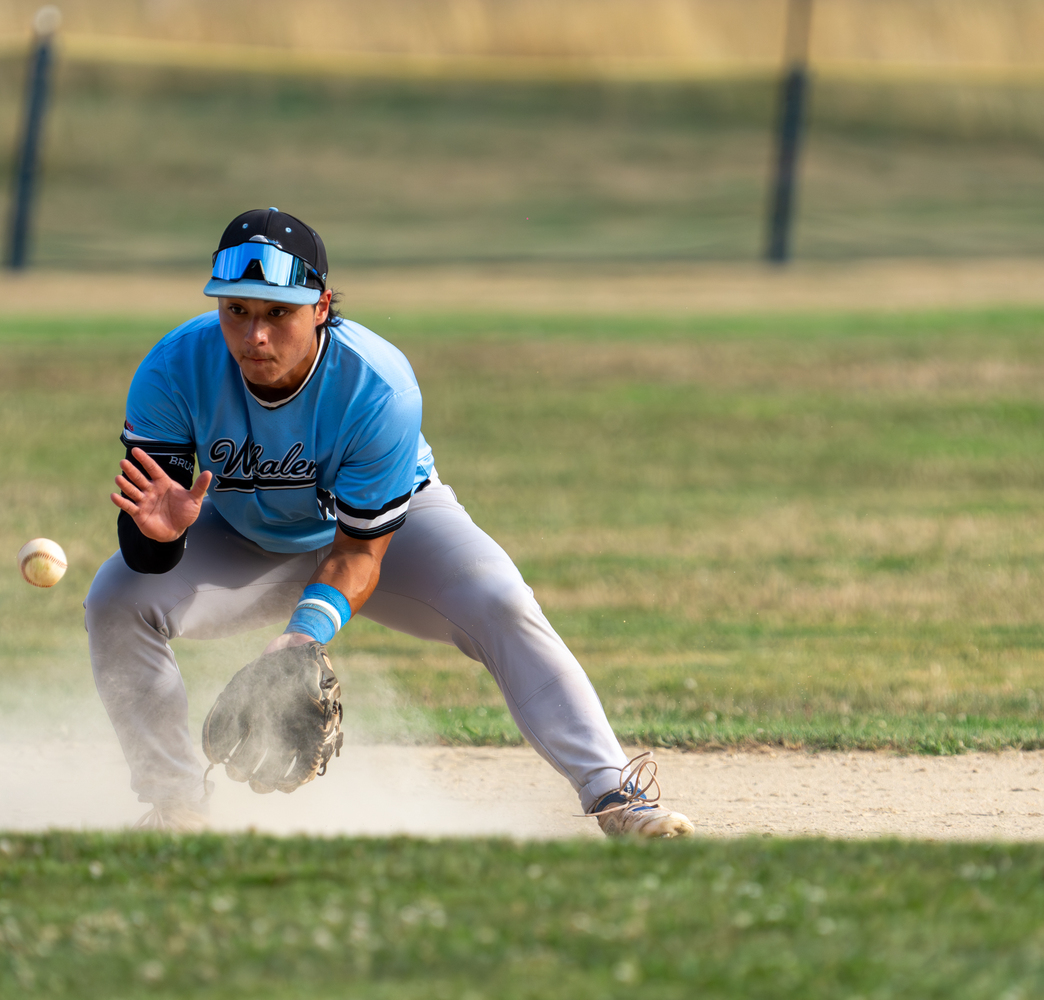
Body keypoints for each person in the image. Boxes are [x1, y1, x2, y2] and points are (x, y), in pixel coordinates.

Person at [84, 207, 693, 838]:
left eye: (277, 313)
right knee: (115, 597)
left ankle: (616, 797)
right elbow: (146, 548)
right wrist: (161, 539)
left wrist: (303, 638)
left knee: (499, 597)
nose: (254, 336)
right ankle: (176, 808)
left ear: (320, 307)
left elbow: (358, 554)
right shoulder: (173, 370)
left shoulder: (376, 385)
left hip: (389, 531)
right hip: (246, 535)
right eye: (237, 310)